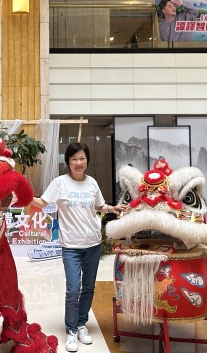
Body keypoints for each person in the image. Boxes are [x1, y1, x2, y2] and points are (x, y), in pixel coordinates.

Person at [31, 142, 127, 352]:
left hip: (93, 243)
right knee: (73, 289)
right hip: (70, 246)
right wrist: (24, 195)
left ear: (87, 161)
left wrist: (111, 208)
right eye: (74, 159)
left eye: (82, 158)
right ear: (68, 161)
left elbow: (99, 206)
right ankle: (71, 330)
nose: (78, 162)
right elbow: (43, 202)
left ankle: (82, 324)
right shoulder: (60, 183)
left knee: (88, 288)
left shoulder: (92, 183)